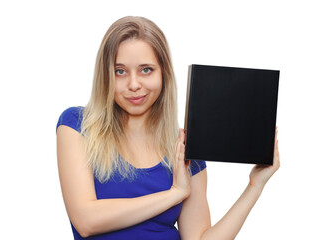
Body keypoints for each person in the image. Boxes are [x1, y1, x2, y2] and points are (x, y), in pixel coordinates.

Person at [56, 16, 280, 240]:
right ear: (105, 76)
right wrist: (175, 193)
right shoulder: (77, 125)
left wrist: (254, 186)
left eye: (146, 70)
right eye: (120, 71)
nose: (134, 84)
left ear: (163, 73)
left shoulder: (184, 148)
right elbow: (86, 220)